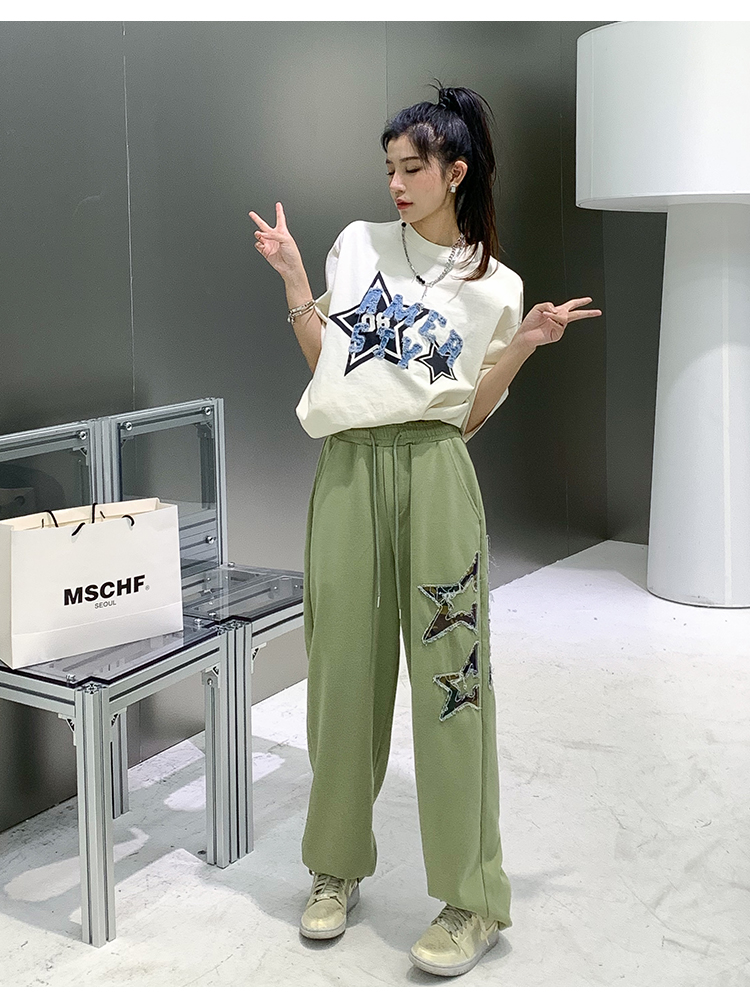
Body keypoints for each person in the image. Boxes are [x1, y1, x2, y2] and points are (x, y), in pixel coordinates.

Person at [249, 85, 601, 978]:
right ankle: (335, 866)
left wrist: (523, 344)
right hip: (347, 473)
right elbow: (329, 371)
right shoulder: (356, 246)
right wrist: (295, 279)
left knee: (454, 684)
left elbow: (467, 416)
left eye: (414, 168)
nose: (398, 184)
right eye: (390, 169)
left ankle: (473, 900)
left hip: (437, 475)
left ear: (457, 171)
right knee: (341, 680)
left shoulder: (497, 287)